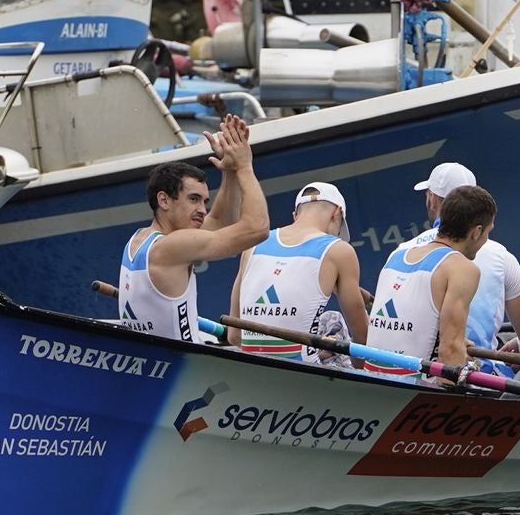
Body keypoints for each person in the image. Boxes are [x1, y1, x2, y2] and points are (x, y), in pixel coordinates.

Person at [117, 114, 268, 344]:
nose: (202, 210)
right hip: (181, 362)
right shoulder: (171, 247)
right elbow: (258, 229)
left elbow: (219, 222)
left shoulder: (140, 238)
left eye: (204, 202)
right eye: (194, 199)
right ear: (164, 200)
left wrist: (229, 172)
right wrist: (244, 167)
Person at [408, 162, 520, 370]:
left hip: (415, 374)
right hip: (479, 378)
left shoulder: (404, 252)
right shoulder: (502, 256)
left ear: (432, 199)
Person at [227, 181, 368, 360]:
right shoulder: (339, 250)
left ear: (295, 215)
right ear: (337, 213)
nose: (335, 235)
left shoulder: (254, 245)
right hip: (303, 371)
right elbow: (362, 339)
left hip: (250, 366)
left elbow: (234, 335)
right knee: (335, 323)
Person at [363, 186, 492, 379]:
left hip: (369, 378)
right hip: (412, 389)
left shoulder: (396, 255)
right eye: (488, 232)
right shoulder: (462, 268)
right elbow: (450, 350)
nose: (486, 239)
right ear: (477, 231)